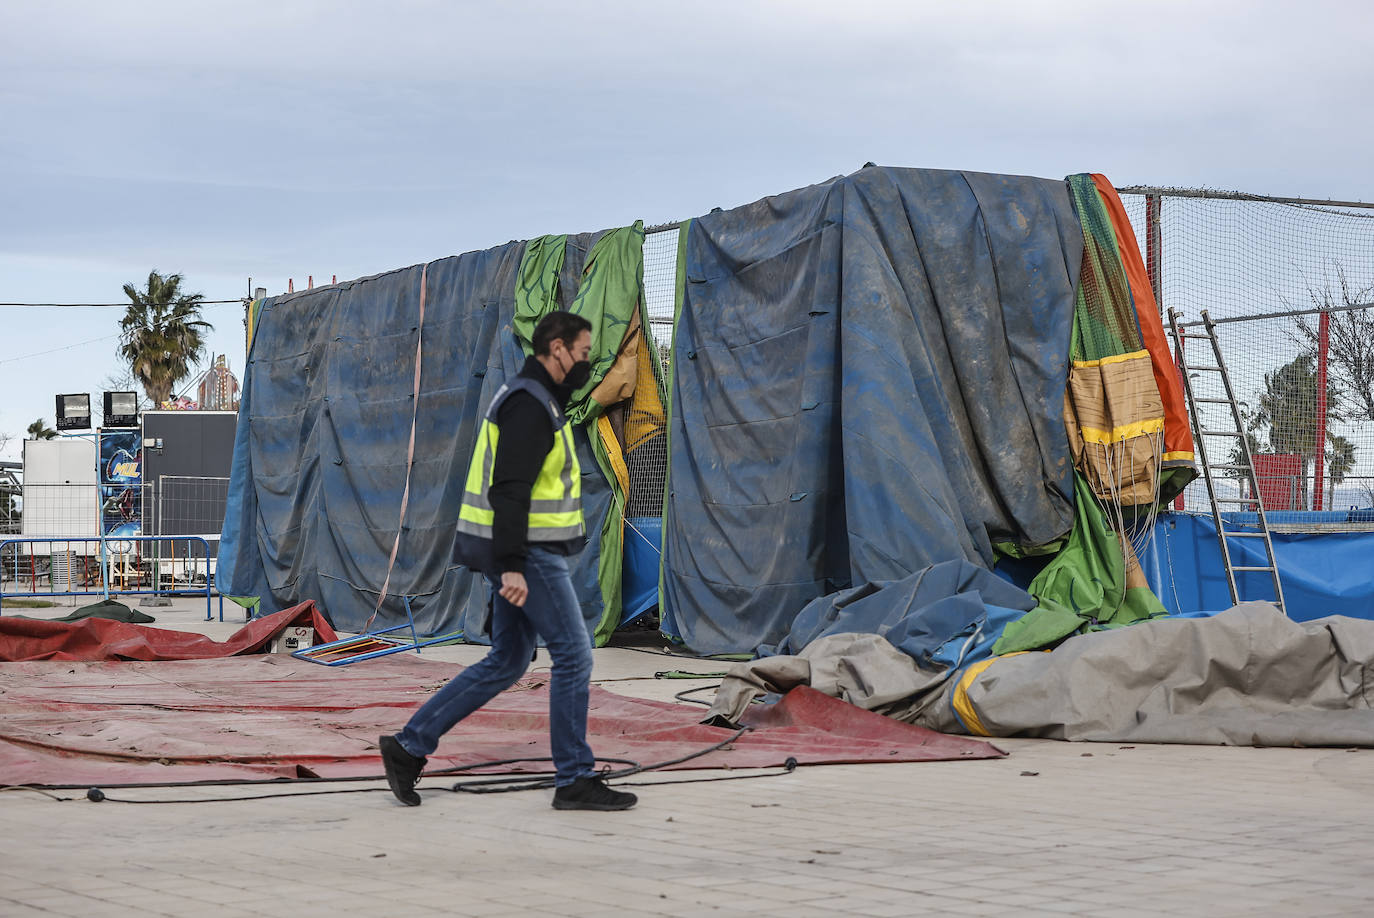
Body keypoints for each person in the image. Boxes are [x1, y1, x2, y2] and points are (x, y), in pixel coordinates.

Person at [379, 310, 638, 811]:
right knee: (575, 656)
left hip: (522, 550)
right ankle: (575, 779)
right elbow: (511, 490)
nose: (587, 362)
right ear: (557, 349)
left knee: (508, 659)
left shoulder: (535, 400)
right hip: (529, 553)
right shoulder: (528, 405)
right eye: (582, 353)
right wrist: (514, 565)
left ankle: (409, 746)